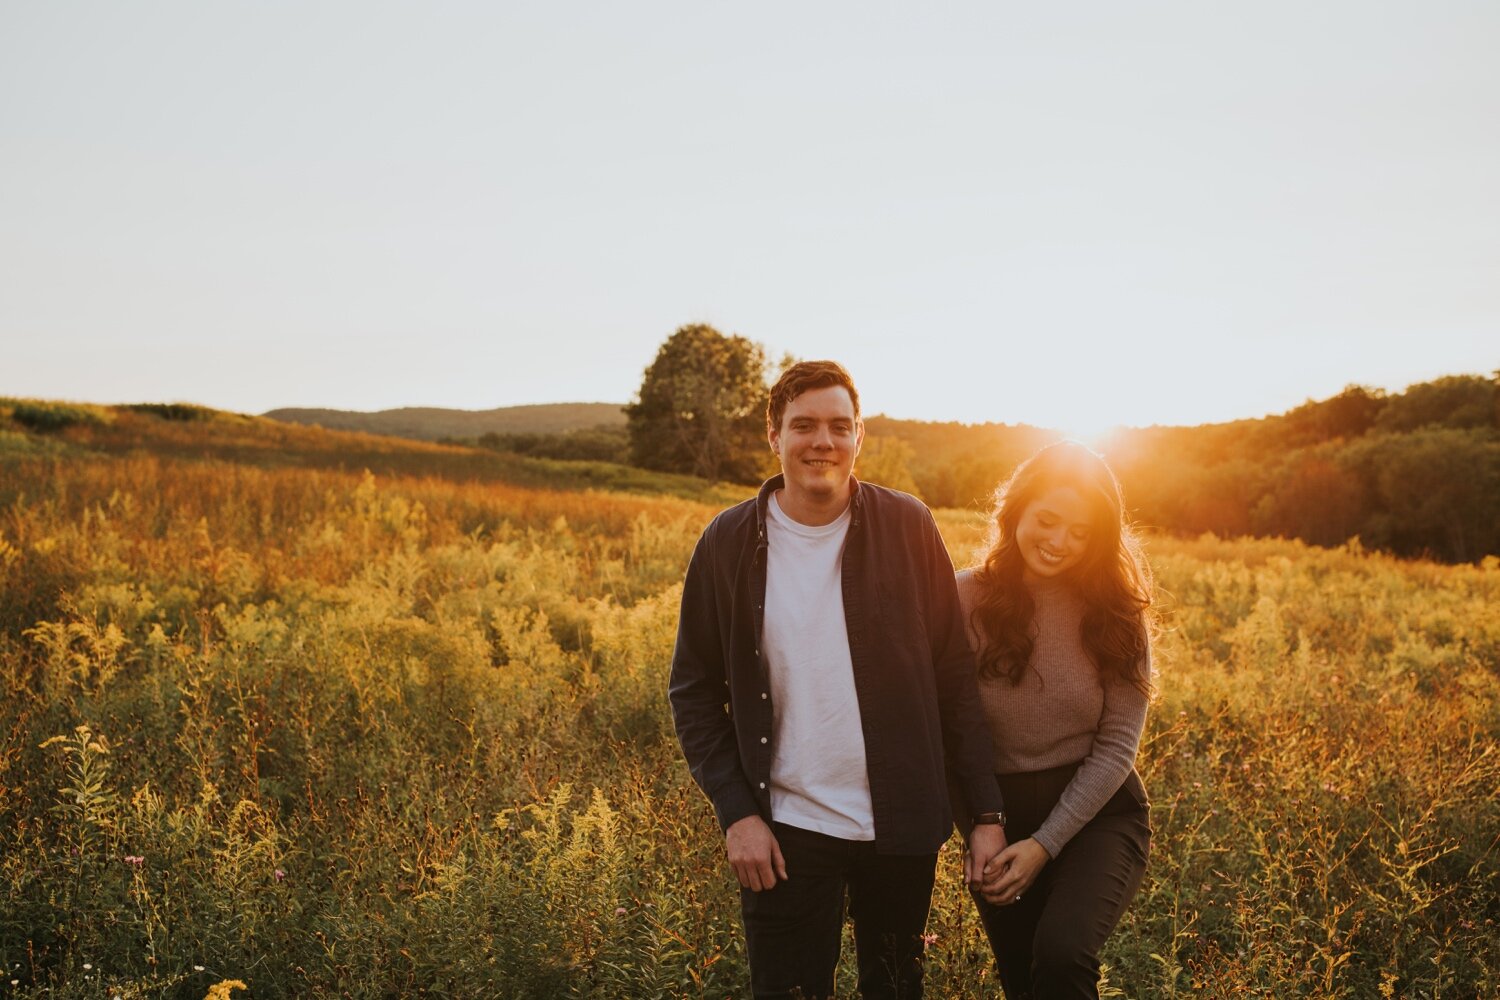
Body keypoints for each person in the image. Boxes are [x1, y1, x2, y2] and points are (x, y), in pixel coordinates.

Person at [669, 360, 1007, 1000]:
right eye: (803, 425)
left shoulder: (909, 527)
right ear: (775, 435)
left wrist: (985, 813)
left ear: (858, 437)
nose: (821, 441)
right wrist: (737, 814)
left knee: (896, 988)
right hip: (784, 831)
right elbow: (693, 690)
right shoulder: (728, 541)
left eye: (837, 426)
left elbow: (954, 678)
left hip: (899, 826)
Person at [955, 440, 1155, 1000]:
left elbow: (1118, 745)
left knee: (1063, 956)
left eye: (1081, 531)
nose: (1059, 541)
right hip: (996, 817)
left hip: (1100, 813)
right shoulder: (963, 598)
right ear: (1016, 510)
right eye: (1047, 520)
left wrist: (1044, 843)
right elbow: (947, 728)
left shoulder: (1117, 614)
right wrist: (978, 824)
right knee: (1024, 980)